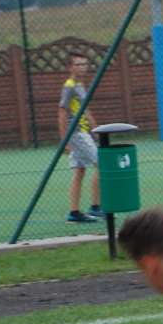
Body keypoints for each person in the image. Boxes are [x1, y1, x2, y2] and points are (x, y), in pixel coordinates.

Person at [59, 52, 103, 223]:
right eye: (78, 64)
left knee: (80, 170)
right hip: (76, 133)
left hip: (84, 132)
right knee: (102, 164)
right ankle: (95, 207)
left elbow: (85, 109)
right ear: (70, 67)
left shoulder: (80, 85)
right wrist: (65, 139)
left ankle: (74, 212)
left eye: (84, 64)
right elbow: (62, 112)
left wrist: (95, 129)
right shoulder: (69, 86)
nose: (82, 67)